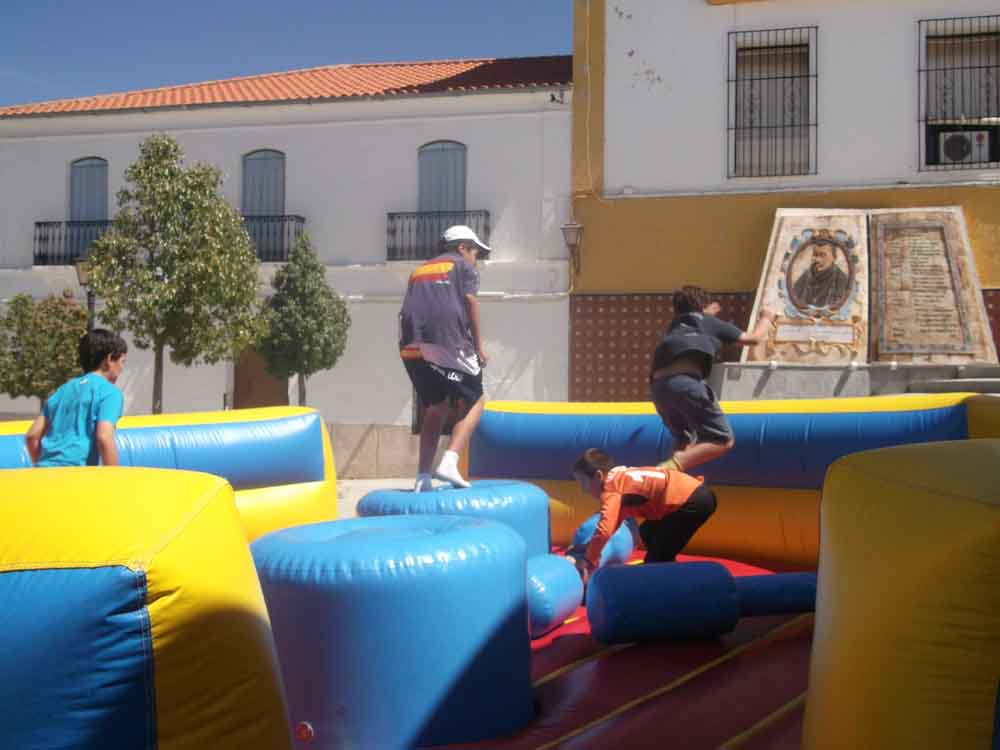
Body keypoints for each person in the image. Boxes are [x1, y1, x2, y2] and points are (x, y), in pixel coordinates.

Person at [399, 225, 490, 491]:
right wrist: (479, 347)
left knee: (436, 406)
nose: (476, 260)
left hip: (410, 347)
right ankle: (450, 461)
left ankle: (423, 477)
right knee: (476, 399)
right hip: (448, 341)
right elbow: (471, 302)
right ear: (463, 248)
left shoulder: (419, 271)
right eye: (476, 253)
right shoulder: (462, 266)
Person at [650, 285, 773, 473]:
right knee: (722, 439)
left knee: (683, 440)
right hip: (685, 384)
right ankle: (666, 470)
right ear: (703, 306)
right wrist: (766, 317)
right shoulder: (707, 321)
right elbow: (753, 339)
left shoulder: (674, 327)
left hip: (659, 388)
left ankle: (670, 481)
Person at [567, 448, 717, 582]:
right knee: (647, 533)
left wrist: (589, 559)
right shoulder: (621, 476)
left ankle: (668, 583)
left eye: (583, 482)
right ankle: (669, 570)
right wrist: (589, 547)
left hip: (690, 503)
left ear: (599, 476)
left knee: (655, 561)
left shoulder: (612, 489)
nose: (583, 489)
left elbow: (604, 530)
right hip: (693, 495)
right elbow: (612, 525)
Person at [25, 328, 128, 467]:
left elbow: (32, 436)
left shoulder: (62, 390)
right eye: (122, 361)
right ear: (109, 359)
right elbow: (104, 437)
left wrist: (41, 465)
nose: (122, 368)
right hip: (76, 474)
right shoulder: (109, 392)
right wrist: (115, 479)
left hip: (44, 473)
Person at [791, 236, 850, 309]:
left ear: (834, 258)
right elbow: (795, 295)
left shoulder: (841, 279)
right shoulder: (807, 275)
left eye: (822, 255)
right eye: (815, 255)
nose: (817, 260)